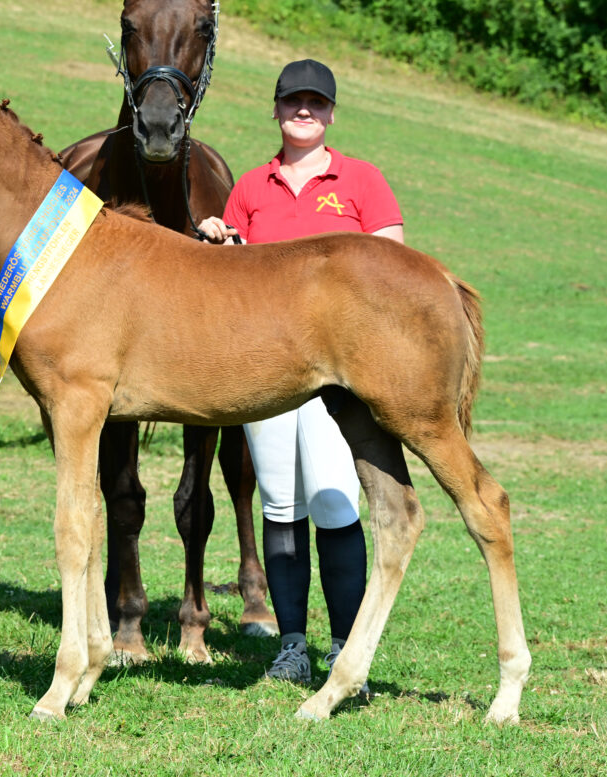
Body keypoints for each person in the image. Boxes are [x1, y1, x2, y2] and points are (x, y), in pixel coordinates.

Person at [199, 59, 404, 687]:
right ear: (277, 110)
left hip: (339, 374)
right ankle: (291, 646)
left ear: (332, 113)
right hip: (264, 367)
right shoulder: (252, 187)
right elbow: (234, 278)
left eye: (315, 102)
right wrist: (217, 240)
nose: (304, 111)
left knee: (334, 500)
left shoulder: (363, 181)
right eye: (293, 102)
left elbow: (392, 269)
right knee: (281, 504)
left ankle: (348, 650)